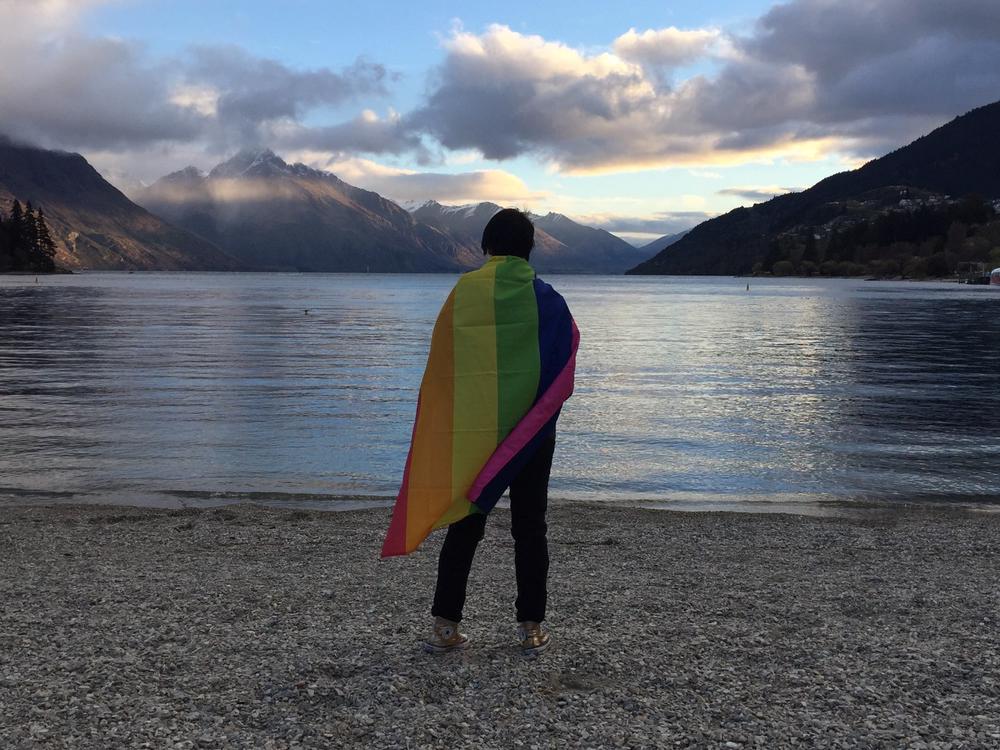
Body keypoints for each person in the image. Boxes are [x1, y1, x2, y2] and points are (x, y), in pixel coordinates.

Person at [380, 208, 578, 658]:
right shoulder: (547, 299)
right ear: (530, 248)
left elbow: (445, 363)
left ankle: (445, 627)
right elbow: (564, 361)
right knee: (530, 527)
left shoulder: (464, 292)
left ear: (487, 246)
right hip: (530, 434)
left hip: (474, 430)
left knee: (466, 522)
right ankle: (531, 629)